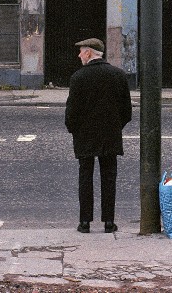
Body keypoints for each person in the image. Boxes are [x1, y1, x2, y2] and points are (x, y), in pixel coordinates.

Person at [64, 37, 132, 234]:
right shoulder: (118, 75)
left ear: (88, 53)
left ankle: (85, 222)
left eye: (81, 52)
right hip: (110, 134)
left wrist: (74, 129)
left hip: (85, 135)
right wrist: (115, 127)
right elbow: (126, 111)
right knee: (109, 177)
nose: (78, 55)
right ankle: (109, 222)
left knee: (85, 176)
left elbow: (72, 112)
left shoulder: (78, 77)